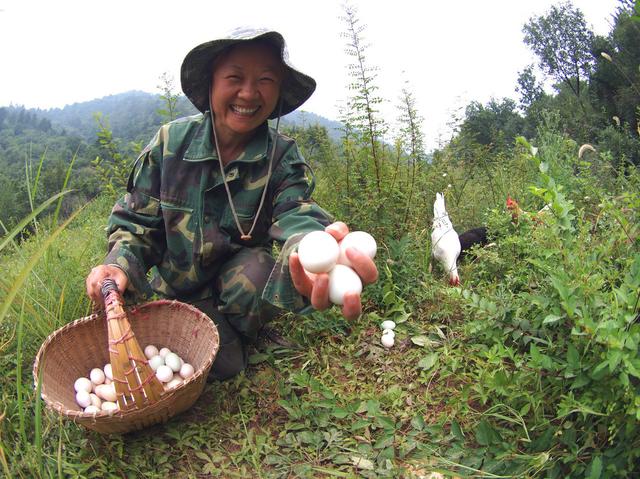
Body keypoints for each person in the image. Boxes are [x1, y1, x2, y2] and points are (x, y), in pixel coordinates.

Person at [85, 28, 378, 380]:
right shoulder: (170, 145)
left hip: (237, 287)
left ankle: (240, 331)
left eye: (265, 80)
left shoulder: (281, 157)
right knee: (220, 366)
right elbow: (135, 222)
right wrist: (118, 264)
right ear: (211, 84)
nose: (249, 93)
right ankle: (216, 334)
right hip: (174, 290)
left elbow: (298, 216)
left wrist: (313, 254)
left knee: (256, 272)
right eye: (235, 77)